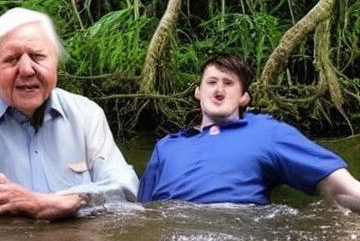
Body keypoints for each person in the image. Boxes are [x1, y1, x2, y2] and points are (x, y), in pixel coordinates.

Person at [0, 7, 139, 220]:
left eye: (37, 56)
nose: (26, 69)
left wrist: (55, 202)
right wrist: (30, 208)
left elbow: (125, 187)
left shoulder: (86, 113)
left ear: (56, 62)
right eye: (11, 59)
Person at [138, 54, 360, 211]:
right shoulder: (166, 146)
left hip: (237, 234)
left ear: (244, 97)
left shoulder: (267, 132)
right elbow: (141, 214)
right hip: (170, 236)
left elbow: (339, 187)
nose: (218, 90)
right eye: (211, 82)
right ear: (198, 92)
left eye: (229, 83)